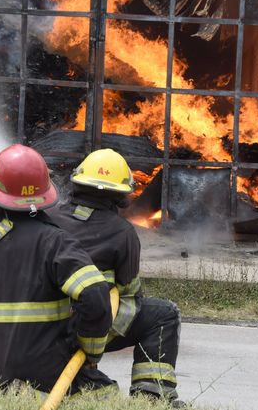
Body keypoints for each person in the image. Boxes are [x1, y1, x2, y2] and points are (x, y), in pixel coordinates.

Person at [0, 144, 115, 394]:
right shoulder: (56, 243)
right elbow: (95, 294)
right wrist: (90, 350)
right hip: (50, 376)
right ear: (46, 191)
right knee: (105, 393)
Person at [47, 148, 182, 404]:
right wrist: (93, 346)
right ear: (122, 195)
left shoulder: (49, 220)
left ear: (77, 181)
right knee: (163, 314)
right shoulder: (123, 233)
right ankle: (151, 395)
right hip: (87, 325)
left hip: (41, 327)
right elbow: (129, 295)